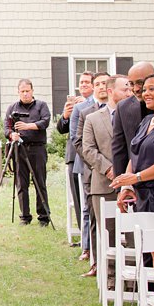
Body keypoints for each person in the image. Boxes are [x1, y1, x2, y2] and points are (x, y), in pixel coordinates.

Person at [114, 70, 154, 216]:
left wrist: (137, 177)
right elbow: (135, 154)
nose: (145, 93)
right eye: (144, 90)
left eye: (152, 89)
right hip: (141, 195)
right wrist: (127, 185)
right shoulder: (146, 121)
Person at [77, 91, 121, 279]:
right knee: (106, 231)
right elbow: (86, 147)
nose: (129, 91)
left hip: (132, 182)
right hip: (103, 181)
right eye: (124, 88)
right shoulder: (92, 117)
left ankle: (133, 280)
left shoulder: (136, 115)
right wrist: (108, 169)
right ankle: (109, 276)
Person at [57, 71, 98, 258]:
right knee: (80, 200)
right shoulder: (75, 107)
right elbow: (63, 130)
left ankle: (91, 242)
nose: (83, 85)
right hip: (76, 157)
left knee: (89, 203)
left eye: (87, 82)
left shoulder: (96, 105)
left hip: (95, 159)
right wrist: (66, 115)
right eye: (81, 82)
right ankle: (85, 241)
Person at [4, 79, 52, 225]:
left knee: (39, 183)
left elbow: (45, 122)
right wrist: (12, 134)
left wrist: (28, 126)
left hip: (37, 149)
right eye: (22, 91)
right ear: (18, 92)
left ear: (32, 91)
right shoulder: (12, 108)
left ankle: (43, 216)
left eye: (27, 91)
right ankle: (25, 216)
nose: (25, 94)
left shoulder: (41, 106)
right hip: (19, 149)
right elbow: (6, 127)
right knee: (21, 183)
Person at [109, 61, 154, 181]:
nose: (136, 89)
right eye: (131, 84)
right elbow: (119, 149)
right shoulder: (123, 107)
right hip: (134, 182)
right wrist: (122, 186)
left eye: (140, 82)